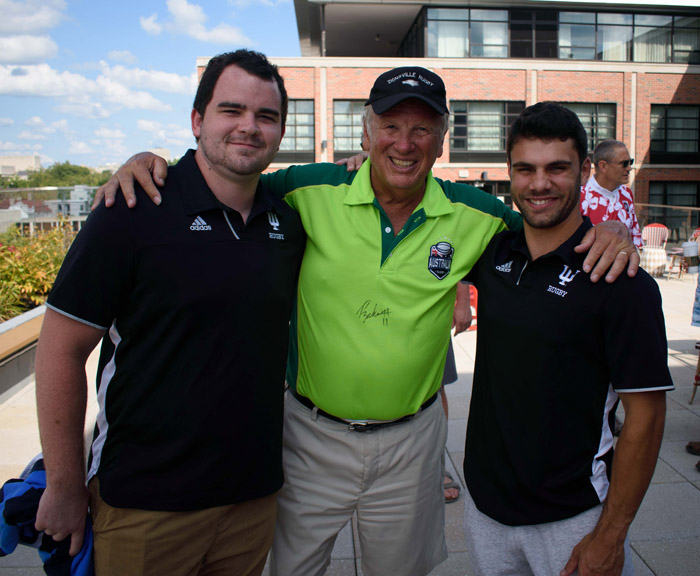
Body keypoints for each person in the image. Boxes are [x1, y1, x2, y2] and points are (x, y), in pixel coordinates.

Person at [96, 67, 639, 576]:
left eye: (422, 129)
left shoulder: (479, 215)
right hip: (309, 435)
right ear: (366, 132)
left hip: (412, 443)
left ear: (442, 140)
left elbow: (549, 226)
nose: (405, 143)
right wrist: (154, 164)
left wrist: (606, 230)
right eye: (391, 127)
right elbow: (227, 176)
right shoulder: (306, 190)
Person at [34, 50, 306, 576]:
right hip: (144, 505)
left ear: (279, 132)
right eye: (231, 110)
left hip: (251, 500)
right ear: (197, 120)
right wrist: (63, 485)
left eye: (266, 116)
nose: (249, 127)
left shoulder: (288, 224)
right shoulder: (132, 210)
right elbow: (60, 351)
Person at [462, 102, 673, 576]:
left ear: (584, 171)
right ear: (510, 173)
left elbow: (647, 418)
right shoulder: (492, 250)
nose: (539, 184)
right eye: (525, 169)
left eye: (557, 168)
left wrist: (611, 534)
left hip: (573, 519)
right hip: (484, 510)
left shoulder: (622, 282)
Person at [581, 140, 642, 249]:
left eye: (630, 162)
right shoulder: (579, 197)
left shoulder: (627, 194)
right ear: (603, 166)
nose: (629, 168)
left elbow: (634, 236)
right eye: (624, 163)